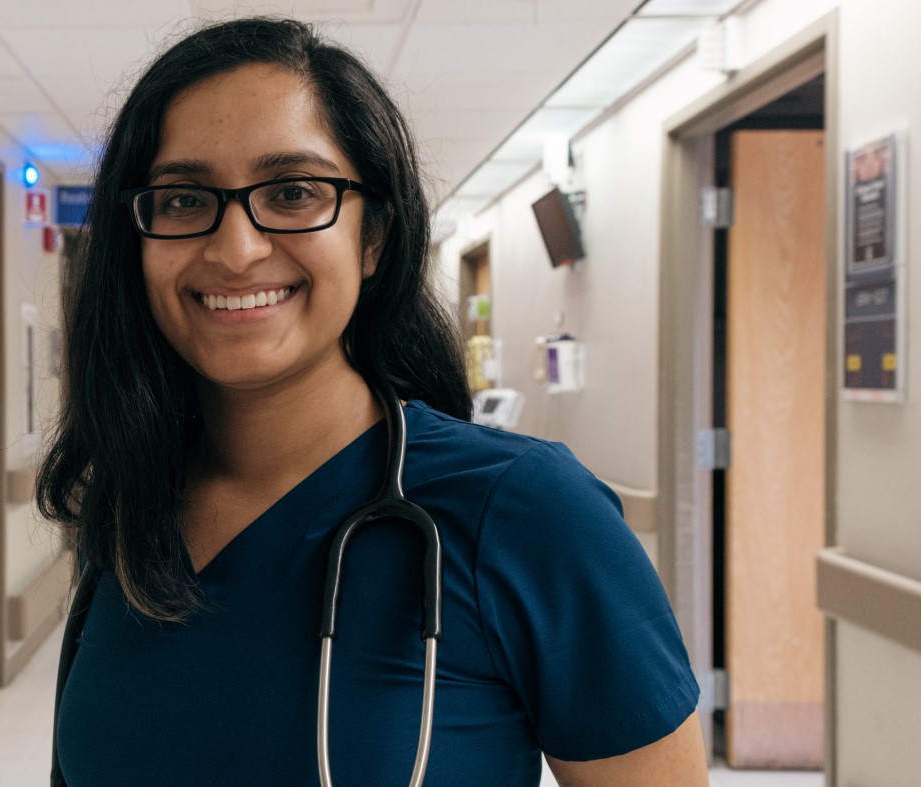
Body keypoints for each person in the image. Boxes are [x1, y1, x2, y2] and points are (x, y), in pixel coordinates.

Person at [37, 17, 707, 786]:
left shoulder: (526, 513)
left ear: (374, 236)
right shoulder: (128, 514)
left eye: (292, 192)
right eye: (185, 198)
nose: (235, 248)